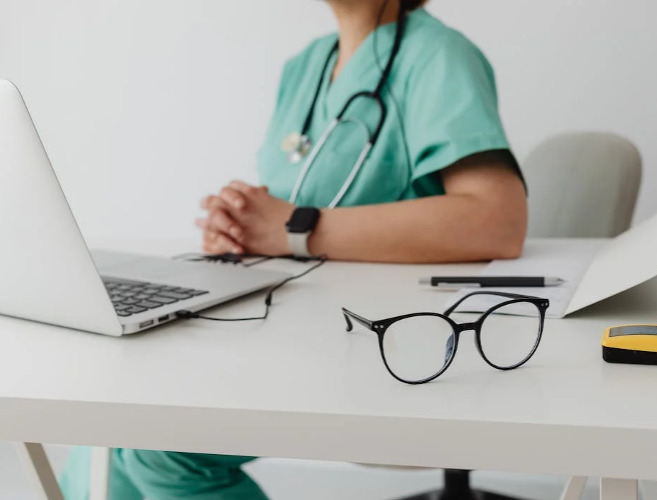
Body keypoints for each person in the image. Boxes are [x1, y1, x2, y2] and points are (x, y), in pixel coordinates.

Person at [60, 0, 527, 498]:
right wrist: (242, 231)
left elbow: (496, 222)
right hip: (295, 327)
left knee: (163, 448)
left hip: (388, 345)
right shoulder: (307, 65)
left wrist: (291, 227)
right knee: (108, 436)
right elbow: (296, 206)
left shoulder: (439, 56)